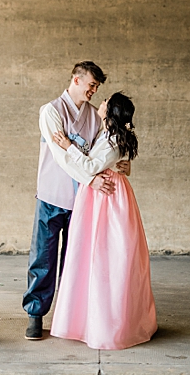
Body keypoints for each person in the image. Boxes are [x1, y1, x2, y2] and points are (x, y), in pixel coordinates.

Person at [24, 61, 128, 341]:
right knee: (43, 257)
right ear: (76, 79)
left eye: (97, 86)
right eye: (91, 84)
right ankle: (35, 313)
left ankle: (67, 316)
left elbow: (98, 156)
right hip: (51, 193)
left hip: (83, 200)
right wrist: (90, 178)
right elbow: (60, 157)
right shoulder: (50, 112)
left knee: (75, 260)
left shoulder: (96, 117)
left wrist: (120, 164)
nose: (94, 90)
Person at [46, 92, 156, 349]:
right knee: (92, 256)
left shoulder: (112, 140)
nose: (101, 102)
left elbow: (93, 165)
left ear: (110, 111)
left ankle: (107, 325)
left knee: (106, 256)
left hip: (106, 199)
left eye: (105, 100)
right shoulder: (107, 135)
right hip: (99, 196)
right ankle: (87, 319)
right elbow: (110, 161)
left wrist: (67, 146)